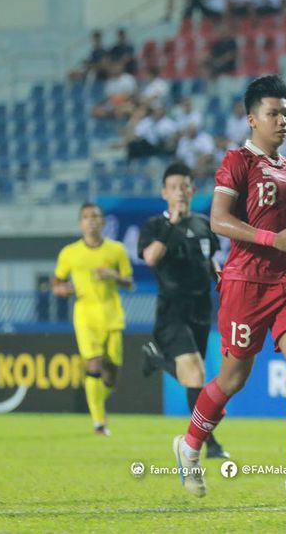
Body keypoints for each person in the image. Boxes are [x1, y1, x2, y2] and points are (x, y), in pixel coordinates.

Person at [171, 75, 286, 498]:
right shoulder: (236, 162)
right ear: (251, 119)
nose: (283, 121)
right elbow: (218, 220)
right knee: (233, 377)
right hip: (245, 282)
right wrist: (270, 241)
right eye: (273, 113)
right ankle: (189, 446)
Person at [138, 162, 228, 459]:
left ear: (192, 189)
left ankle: (156, 360)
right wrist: (171, 226)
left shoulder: (204, 224)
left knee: (195, 378)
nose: (180, 192)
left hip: (201, 310)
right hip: (172, 311)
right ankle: (210, 445)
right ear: (165, 193)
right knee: (196, 373)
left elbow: (211, 260)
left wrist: (221, 277)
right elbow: (151, 258)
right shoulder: (155, 226)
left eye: (185, 186)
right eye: (174, 187)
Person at [53, 203, 134, 435]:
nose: (91, 221)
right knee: (94, 362)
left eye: (96, 216)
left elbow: (130, 283)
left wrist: (113, 275)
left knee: (111, 376)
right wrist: (63, 290)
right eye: (87, 217)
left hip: (112, 316)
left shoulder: (116, 250)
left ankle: (97, 399)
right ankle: (99, 422)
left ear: (103, 222)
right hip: (85, 316)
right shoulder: (69, 253)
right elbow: (56, 283)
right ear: (81, 223)